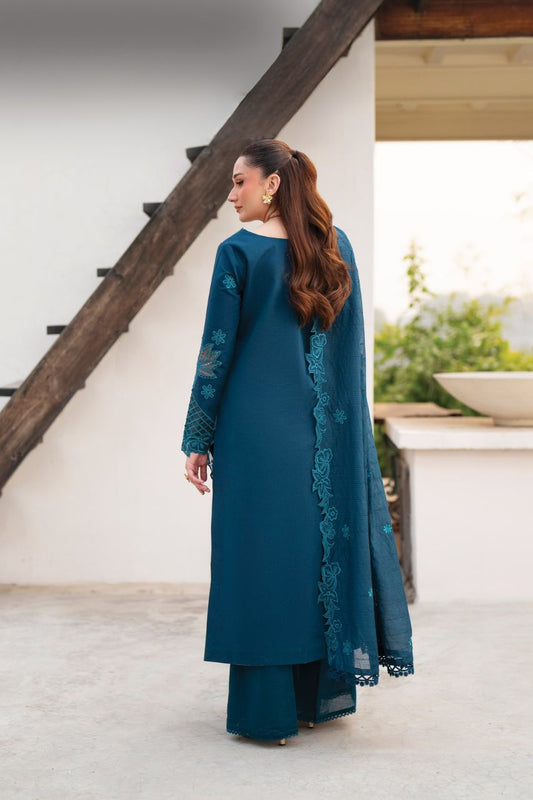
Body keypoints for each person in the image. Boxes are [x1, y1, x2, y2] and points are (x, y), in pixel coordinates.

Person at [181, 138, 414, 746]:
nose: (231, 194)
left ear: (272, 184)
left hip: (252, 435)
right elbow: (350, 356)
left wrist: (198, 437)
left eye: (239, 181)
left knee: (256, 561)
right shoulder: (336, 249)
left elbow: (215, 353)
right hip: (321, 437)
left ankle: (267, 714)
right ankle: (312, 701)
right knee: (310, 560)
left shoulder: (238, 253)